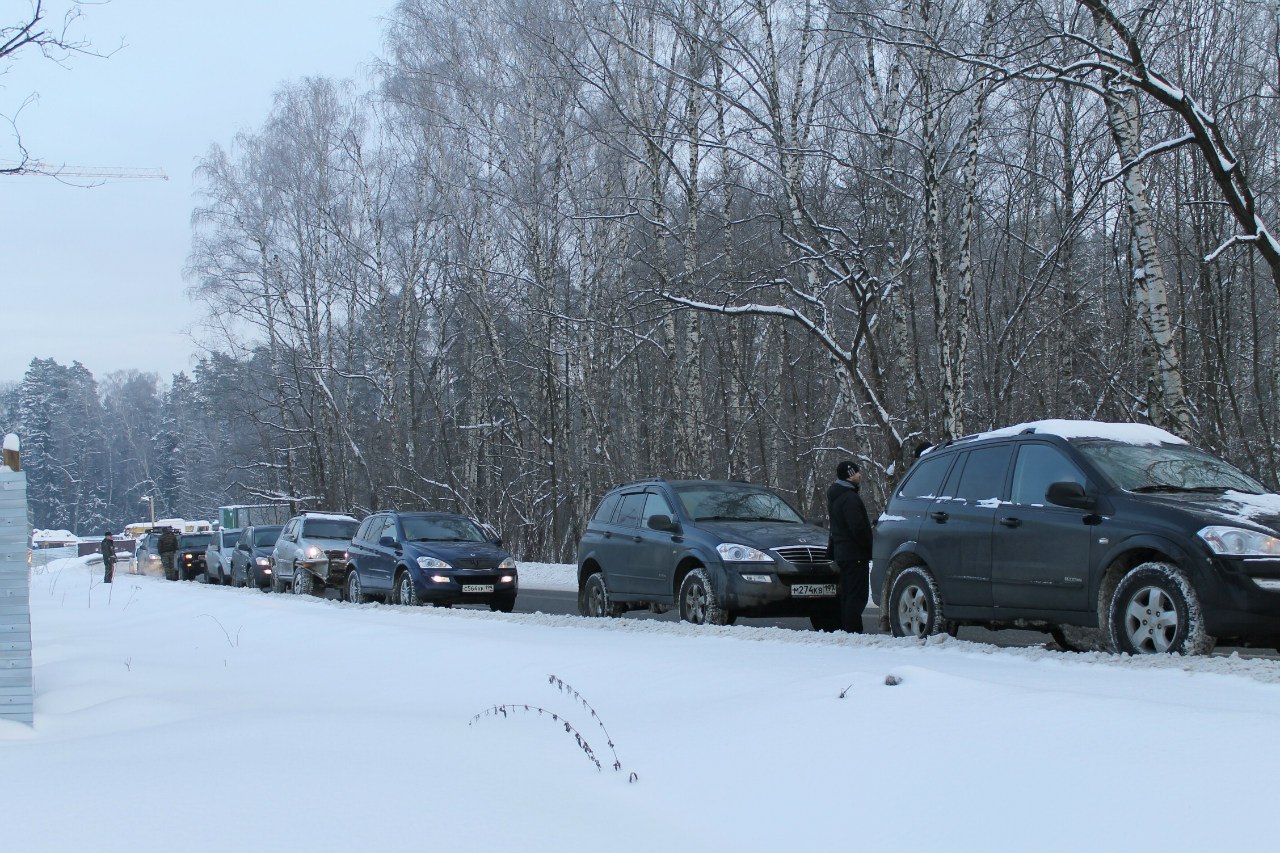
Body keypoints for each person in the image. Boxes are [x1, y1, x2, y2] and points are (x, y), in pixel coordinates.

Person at [826, 459, 873, 633]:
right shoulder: (849, 498)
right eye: (857, 472)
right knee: (857, 595)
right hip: (855, 554)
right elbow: (857, 527)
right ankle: (853, 631)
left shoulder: (837, 496)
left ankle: (847, 629)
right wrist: (869, 544)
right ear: (850, 474)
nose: (860, 475)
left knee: (847, 593)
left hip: (843, 552)